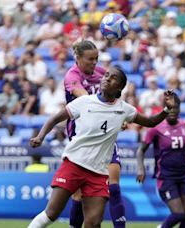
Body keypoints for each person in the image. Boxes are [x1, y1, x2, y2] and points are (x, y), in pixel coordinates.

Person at [28, 66, 178, 228]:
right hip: (73, 164)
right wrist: (40, 136)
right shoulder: (85, 102)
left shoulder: (124, 109)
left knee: (93, 223)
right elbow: (54, 119)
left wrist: (166, 109)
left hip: (98, 173)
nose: (107, 78)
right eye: (106, 75)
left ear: (119, 87)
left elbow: (150, 122)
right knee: (51, 214)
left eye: (113, 78)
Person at [64, 40, 126, 228]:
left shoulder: (101, 74)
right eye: (90, 59)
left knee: (113, 184)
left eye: (96, 59)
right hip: (81, 136)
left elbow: (116, 96)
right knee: (78, 194)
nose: (94, 63)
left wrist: (120, 115)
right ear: (78, 58)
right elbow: (86, 100)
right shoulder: (71, 76)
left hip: (104, 132)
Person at [136, 96, 185, 228]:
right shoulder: (155, 128)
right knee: (179, 214)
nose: (173, 111)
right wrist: (141, 168)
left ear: (179, 109)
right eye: (170, 108)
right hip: (166, 176)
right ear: (165, 108)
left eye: (176, 108)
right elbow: (141, 150)